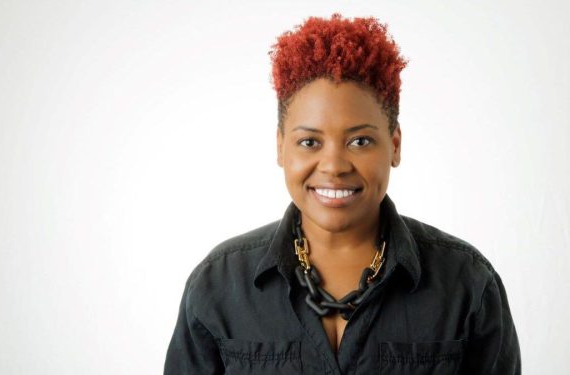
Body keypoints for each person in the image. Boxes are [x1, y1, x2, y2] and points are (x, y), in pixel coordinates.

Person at [163, 14, 520, 374]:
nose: (333, 165)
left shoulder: (467, 284)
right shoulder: (218, 285)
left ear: (394, 146)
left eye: (360, 141)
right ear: (280, 148)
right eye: (309, 142)